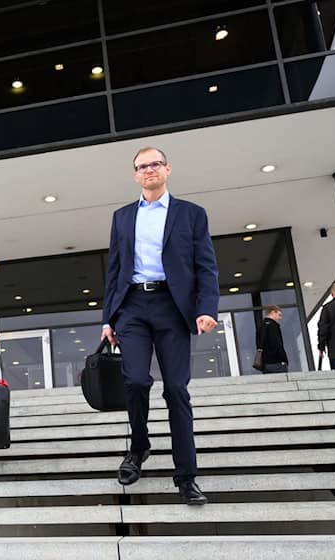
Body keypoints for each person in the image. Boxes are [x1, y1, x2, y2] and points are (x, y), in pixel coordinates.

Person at [101, 147, 219, 506]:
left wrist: (206, 307)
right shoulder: (122, 217)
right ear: (135, 175)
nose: (149, 170)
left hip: (172, 306)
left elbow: (206, 265)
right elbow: (114, 269)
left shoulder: (191, 214)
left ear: (167, 169)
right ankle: (138, 448)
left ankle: (186, 477)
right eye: (141, 166)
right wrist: (109, 317)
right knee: (135, 380)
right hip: (133, 306)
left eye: (155, 164)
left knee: (176, 390)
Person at [256, 305, 288, 373]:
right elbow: (276, 344)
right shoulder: (273, 326)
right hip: (276, 362)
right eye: (279, 315)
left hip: (265, 364)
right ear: (273, 312)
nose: (280, 318)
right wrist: (283, 360)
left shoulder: (261, 326)